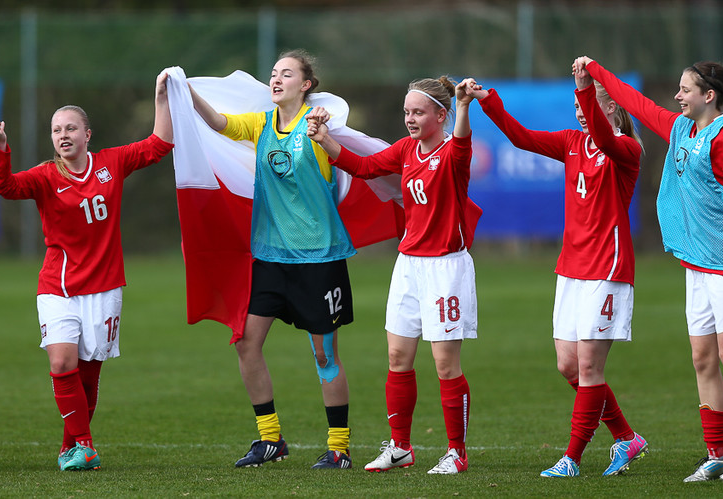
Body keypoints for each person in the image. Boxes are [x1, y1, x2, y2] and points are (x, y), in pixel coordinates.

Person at [578, 55, 723, 483]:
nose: (677, 95)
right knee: (702, 358)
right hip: (697, 263)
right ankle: (717, 453)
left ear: (709, 95)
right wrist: (594, 70)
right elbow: (634, 101)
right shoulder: (681, 127)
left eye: (685, 90)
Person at [468, 64, 647, 478]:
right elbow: (521, 138)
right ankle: (626, 437)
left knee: (589, 368)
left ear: (612, 107)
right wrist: (487, 101)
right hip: (572, 268)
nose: (581, 112)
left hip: (607, 268)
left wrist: (585, 88)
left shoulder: (626, 149)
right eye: (578, 105)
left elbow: (604, 138)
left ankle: (571, 459)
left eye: (591, 104)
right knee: (569, 366)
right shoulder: (571, 142)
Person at [0, 73, 173, 471]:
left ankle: (69, 448)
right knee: (61, 363)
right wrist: (1, 146)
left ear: (87, 134)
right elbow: (6, 187)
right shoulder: (45, 176)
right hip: (58, 285)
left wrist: (161, 97)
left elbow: (160, 144)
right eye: (56, 130)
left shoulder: (112, 163)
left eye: (71, 128)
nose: (63, 135)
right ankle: (86, 445)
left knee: (87, 378)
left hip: (104, 287)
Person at [187, 49, 356, 469]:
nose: (276, 80)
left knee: (324, 357)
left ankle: (339, 448)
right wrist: (183, 90)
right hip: (271, 257)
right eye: (274, 73)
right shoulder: (261, 123)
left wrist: (324, 131)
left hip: (318, 258)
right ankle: (270, 440)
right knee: (246, 343)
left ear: (306, 85)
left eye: (287, 74)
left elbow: (342, 152)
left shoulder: (317, 125)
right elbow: (219, 123)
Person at [306, 75, 480, 475]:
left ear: (441, 115)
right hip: (408, 265)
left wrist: (463, 105)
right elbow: (364, 167)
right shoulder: (405, 150)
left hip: (445, 267)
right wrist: (324, 139)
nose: (410, 119)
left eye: (418, 112)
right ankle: (401, 447)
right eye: (406, 112)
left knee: (444, 365)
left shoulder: (454, 152)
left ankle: (457, 452)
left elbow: (462, 140)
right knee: (398, 357)